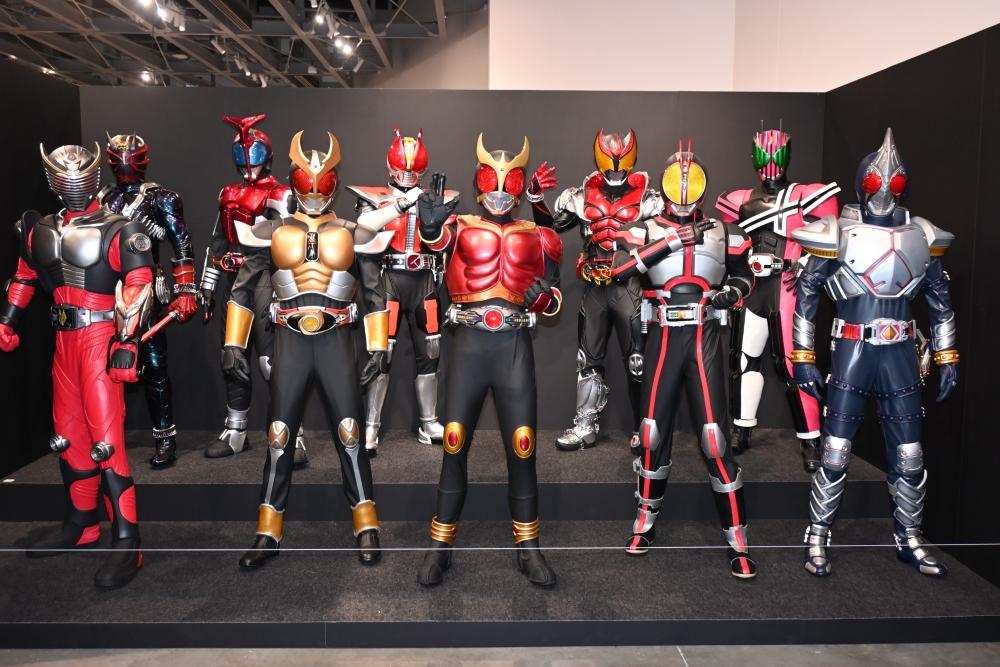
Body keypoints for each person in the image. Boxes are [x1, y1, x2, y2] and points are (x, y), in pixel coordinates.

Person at [792, 128, 958, 577]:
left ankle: (909, 536)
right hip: (853, 350)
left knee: (909, 453)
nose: (884, 188)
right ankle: (818, 534)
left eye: (893, 181)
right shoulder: (837, 232)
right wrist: (803, 357)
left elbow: (939, 297)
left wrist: (947, 354)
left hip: (900, 352)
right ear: (861, 182)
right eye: (874, 181)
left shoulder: (921, 234)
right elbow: (807, 291)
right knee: (835, 450)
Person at [222, 131, 385, 569]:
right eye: (305, 179)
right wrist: (233, 342)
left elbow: (375, 292)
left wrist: (378, 347)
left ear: (334, 181)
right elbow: (243, 288)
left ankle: (366, 524)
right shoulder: (272, 231)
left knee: (350, 434)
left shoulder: (354, 232)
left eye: (323, 181)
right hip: (289, 339)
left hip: (336, 340)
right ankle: (267, 531)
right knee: (278, 436)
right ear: (293, 179)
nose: (313, 190)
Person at [0, 143, 155, 588]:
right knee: (68, 436)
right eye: (63, 173)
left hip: (99, 338)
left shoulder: (120, 229)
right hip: (64, 341)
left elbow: (139, 282)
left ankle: (127, 539)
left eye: (80, 173)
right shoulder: (40, 230)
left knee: (107, 441)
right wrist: (8, 319)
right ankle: (82, 523)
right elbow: (25, 274)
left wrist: (127, 341)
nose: (72, 180)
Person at [415, 134, 562, 588]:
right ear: (478, 182)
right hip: (470, 345)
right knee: (454, 442)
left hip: (513, 344)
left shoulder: (540, 235)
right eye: (489, 179)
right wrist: (429, 228)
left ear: (519, 184)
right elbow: (434, 243)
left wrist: (543, 301)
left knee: (523, 446)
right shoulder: (458, 225)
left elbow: (554, 296)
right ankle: (440, 545)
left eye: (509, 180)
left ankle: (528, 547)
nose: (499, 189)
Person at [611, 141, 757, 578]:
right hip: (662, 335)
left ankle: (737, 538)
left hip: (704, 335)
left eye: (692, 181)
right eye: (677, 180)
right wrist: (670, 241)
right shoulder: (643, 229)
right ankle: (645, 522)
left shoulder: (725, 232)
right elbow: (617, 271)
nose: (684, 188)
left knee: (715, 438)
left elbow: (745, 276)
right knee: (652, 432)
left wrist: (733, 293)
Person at [716, 127, 840, 471]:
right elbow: (731, 246)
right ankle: (742, 429)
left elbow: (830, 242)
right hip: (753, 288)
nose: (769, 162)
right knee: (743, 361)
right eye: (764, 155)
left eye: (775, 154)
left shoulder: (806, 195)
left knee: (794, 363)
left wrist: (805, 265)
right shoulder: (738, 200)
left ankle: (811, 439)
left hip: (787, 286)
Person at [530, 130, 662, 451]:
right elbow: (549, 228)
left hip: (630, 286)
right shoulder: (581, 194)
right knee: (587, 359)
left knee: (638, 361)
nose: (616, 170)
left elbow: (663, 242)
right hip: (595, 285)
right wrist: (535, 199)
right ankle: (585, 426)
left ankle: (644, 426)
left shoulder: (649, 198)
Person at [199, 114, 307, 464]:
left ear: (267, 155)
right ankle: (235, 431)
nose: (248, 162)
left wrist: (290, 290)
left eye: (254, 154)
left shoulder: (280, 194)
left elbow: (290, 242)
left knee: (272, 362)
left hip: (264, 279)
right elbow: (217, 241)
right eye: (242, 154)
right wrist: (207, 285)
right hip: (233, 280)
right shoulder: (228, 193)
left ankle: (293, 433)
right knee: (233, 356)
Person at [346, 128, 459, 455]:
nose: (407, 174)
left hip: (425, 280)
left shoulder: (440, 198)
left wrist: (435, 221)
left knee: (431, 350)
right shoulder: (372, 198)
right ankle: (371, 425)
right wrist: (401, 203)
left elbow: (448, 246)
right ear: (389, 166)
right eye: (401, 168)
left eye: (414, 170)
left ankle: (428, 422)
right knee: (381, 351)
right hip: (389, 279)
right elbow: (362, 232)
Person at [100, 133, 198, 469]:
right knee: (105, 364)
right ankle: (107, 436)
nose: (126, 163)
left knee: (154, 365)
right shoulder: (104, 199)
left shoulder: (160, 198)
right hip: (108, 290)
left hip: (146, 291)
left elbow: (180, 240)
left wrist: (186, 290)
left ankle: (165, 438)